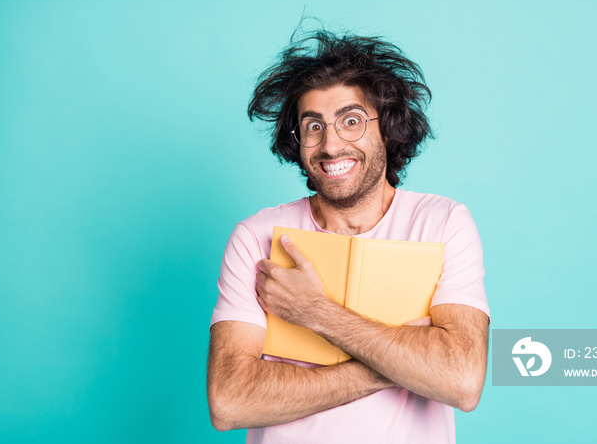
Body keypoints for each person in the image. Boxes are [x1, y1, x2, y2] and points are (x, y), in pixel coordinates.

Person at [207, 29, 490, 444]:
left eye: (351, 121)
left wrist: (315, 311)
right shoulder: (256, 237)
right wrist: (402, 363)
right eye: (313, 126)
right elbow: (229, 401)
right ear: (298, 141)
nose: (331, 144)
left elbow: (462, 381)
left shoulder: (443, 223)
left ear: (388, 129)